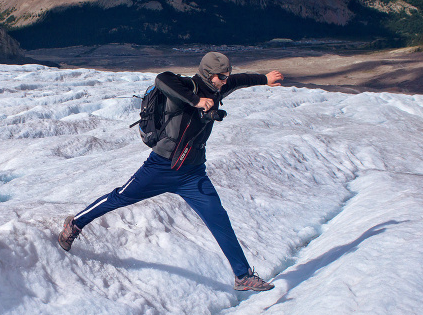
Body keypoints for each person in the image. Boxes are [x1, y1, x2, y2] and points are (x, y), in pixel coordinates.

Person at [58, 51, 284, 292]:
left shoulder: (219, 89)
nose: (226, 80)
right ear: (208, 74)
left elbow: (241, 80)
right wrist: (196, 101)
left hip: (194, 173)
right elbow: (162, 79)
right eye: (222, 76)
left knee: (219, 219)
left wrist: (264, 79)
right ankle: (75, 224)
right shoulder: (187, 87)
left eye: (227, 75)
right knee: (121, 196)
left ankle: (243, 276)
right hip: (162, 167)